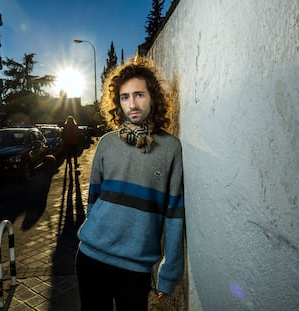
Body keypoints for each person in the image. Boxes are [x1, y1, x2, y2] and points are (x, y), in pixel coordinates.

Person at [75, 56, 185, 311]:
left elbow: (174, 216)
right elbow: (93, 202)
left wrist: (168, 272)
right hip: (91, 257)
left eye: (139, 95)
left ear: (153, 97)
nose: (132, 104)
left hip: (135, 267)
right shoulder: (106, 143)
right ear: (117, 102)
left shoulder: (170, 148)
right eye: (125, 97)